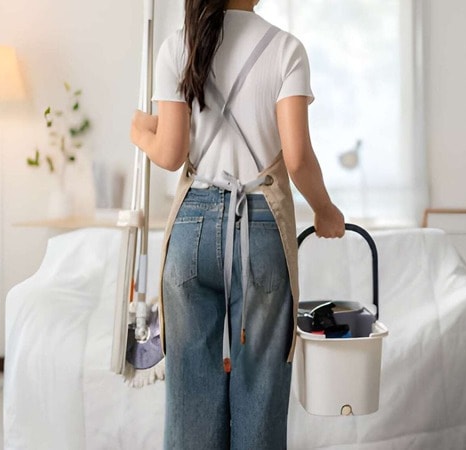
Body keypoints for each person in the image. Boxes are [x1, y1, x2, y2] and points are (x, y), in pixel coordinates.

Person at [129, 0, 345, 448]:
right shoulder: (286, 49)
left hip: (192, 229)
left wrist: (139, 131)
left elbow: (170, 154)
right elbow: (299, 158)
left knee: (190, 391)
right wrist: (325, 210)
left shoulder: (178, 46)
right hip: (262, 227)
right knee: (260, 388)